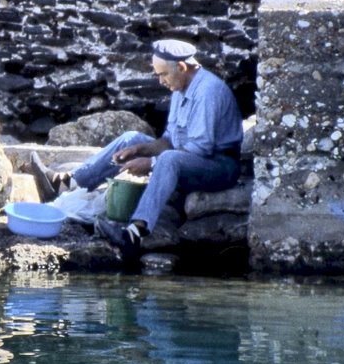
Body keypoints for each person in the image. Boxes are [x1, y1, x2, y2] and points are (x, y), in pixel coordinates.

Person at [30, 39, 243, 257]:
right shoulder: (180, 87)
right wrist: (140, 149)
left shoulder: (208, 92)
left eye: (163, 75)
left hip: (219, 166)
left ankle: (134, 233)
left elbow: (199, 150)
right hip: (189, 157)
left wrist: (150, 163)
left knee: (169, 159)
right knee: (130, 138)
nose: (160, 81)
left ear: (181, 67)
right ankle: (68, 183)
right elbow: (169, 140)